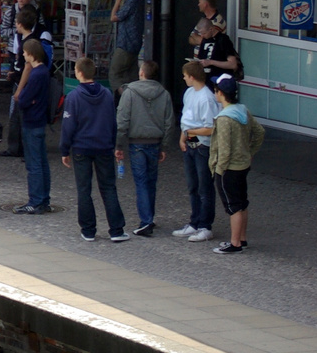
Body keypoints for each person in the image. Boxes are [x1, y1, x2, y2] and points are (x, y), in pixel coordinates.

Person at [61, 56, 130, 242]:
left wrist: (64, 149)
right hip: (104, 146)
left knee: (84, 189)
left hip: (81, 147)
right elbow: (113, 122)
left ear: (79, 73)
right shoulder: (107, 94)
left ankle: (88, 229)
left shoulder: (74, 97)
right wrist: (115, 144)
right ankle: (116, 230)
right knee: (108, 188)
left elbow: (68, 126)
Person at [114, 58, 176, 238]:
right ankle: (150, 215)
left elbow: (122, 120)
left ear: (141, 73)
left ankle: (145, 220)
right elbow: (169, 122)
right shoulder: (164, 94)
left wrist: (119, 144)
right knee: (151, 181)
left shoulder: (130, 92)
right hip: (155, 142)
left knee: (141, 182)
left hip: (137, 142)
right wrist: (165, 145)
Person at [207, 72, 262, 254]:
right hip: (243, 165)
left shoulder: (224, 118)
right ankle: (242, 238)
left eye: (216, 89)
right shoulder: (242, 110)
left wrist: (218, 170)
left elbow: (224, 149)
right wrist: (250, 151)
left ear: (220, 93)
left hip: (228, 169)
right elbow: (259, 132)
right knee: (242, 202)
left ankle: (235, 243)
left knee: (233, 207)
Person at [172, 59, 218, 243]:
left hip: (202, 145)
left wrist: (189, 132)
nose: (183, 79)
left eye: (185, 76)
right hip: (190, 143)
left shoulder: (206, 98)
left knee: (204, 187)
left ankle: (205, 225)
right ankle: (195, 221)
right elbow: (186, 118)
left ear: (192, 76)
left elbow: (211, 128)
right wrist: (183, 137)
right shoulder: (190, 93)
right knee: (193, 186)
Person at [4, 3, 52, 158]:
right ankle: (17, 147)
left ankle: (23, 149)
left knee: (20, 115)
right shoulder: (23, 38)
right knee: (16, 117)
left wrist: (19, 89)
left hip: (23, 83)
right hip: (19, 78)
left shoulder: (30, 42)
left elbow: (27, 68)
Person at [13, 38, 53, 215]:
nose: (22, 54)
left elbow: (23, 100)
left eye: (24, 52)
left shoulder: (36, 74)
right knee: (41, 162)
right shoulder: (44, 71)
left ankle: (36, 200)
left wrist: (24, 99)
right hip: (39, 120)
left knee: (34, 164)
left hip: (32, 121)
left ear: (31, 54)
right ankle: (43, 199)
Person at [110, 0, 145, 95]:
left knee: (114, 74)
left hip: (125, 44)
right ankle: (134, 98)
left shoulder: (131, 3)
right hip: (136, 44)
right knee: (131, 77)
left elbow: (114, 17)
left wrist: (118, 1)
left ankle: (126, 98)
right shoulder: (140, 1)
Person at [190, 16, 239, 82]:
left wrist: (211, 62)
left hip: (220, 80)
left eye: (204, 33)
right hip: (206, 80)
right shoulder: (205, 40)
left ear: (211, 29)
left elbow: (233, 64)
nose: (202, 36)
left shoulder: (223, 40)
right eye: (200, 33)